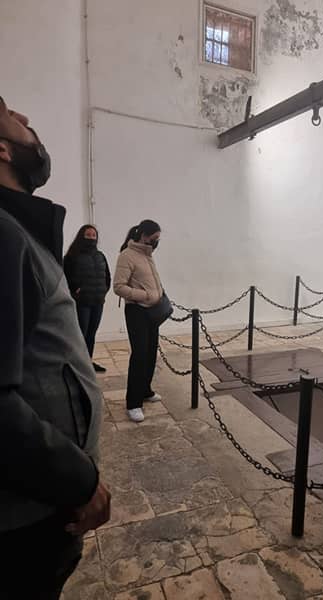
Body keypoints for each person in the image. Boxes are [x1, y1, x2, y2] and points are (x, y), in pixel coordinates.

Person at [0, 96, 111, 599]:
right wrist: (80, 481)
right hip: (25, 515)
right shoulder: (3, 235)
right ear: (2, 150)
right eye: (9, 115)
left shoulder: (18, 230)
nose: (25, 119)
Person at [113, 220, 168, 423]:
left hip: (152, 311)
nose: (156, 242)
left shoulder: (147, 255)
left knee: (151, 352)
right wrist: (145, 296)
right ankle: (133, 403)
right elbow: (118, 286)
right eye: (154, 238)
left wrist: (158, 293)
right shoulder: (127, 255)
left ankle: (145, 390)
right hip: (137, 311)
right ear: (143, 235)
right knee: (139, 356)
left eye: (158, 239)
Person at [64, 224, 111, 373]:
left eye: (93, 235)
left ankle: (88, 362)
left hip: (98, 301)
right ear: (81, 236)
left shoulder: (100, 256)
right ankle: (77, 365)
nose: (91, 238)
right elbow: (65, 276)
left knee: (91, 334)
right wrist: (76, 289)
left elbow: (107, 276)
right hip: (82, 302)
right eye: (88, 235)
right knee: (80, 335)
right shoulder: (72, 256)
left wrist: (103, 291)